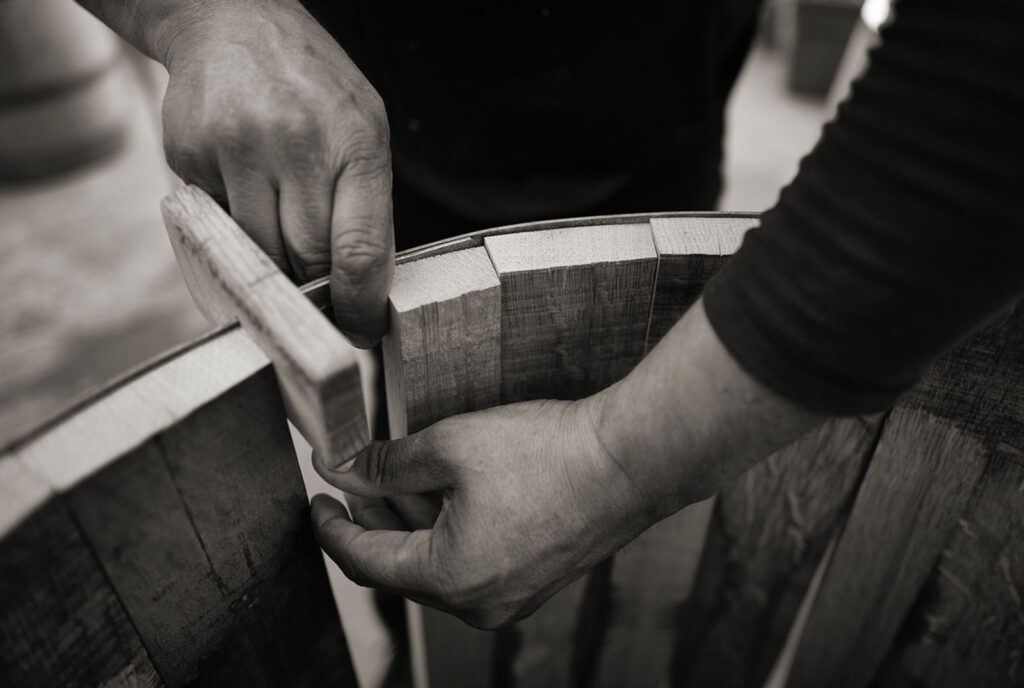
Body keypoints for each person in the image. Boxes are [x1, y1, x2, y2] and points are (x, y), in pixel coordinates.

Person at [77, 0, 1024, 630]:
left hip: (655, 115)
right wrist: (202, 12)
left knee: (602, 573)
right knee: (415, 520)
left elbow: (985, 75)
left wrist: (617, 459)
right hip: (341, 123)